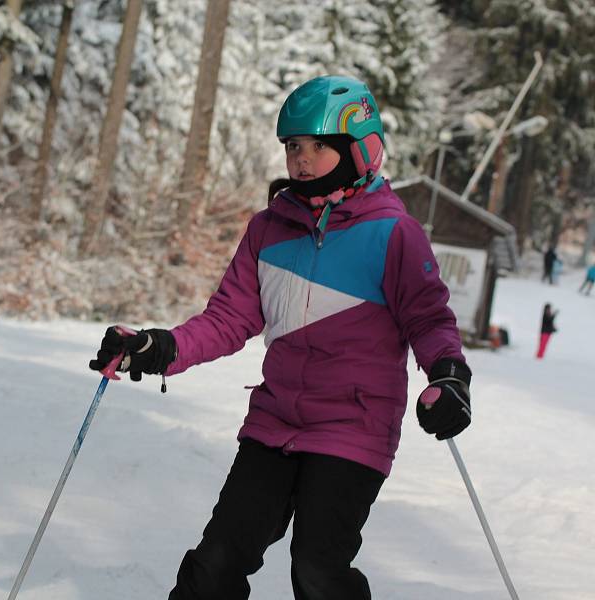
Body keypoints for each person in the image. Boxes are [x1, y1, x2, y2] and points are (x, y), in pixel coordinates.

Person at [89, 76, 471, 600]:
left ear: (361, 149)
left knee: (317, 569)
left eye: (318, 146)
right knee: (217, 560)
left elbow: (428, 319)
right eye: (293, 146)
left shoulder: (392, 233)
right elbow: (228, 318)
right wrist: (161, 348)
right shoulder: (268, 230)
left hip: (353, 427)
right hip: (275, 423)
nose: (302, 159)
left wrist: (449, 377)